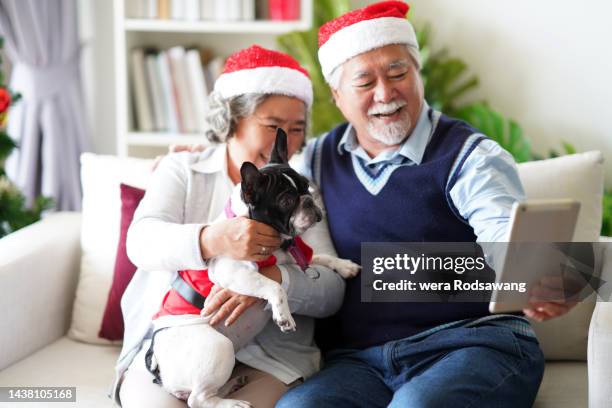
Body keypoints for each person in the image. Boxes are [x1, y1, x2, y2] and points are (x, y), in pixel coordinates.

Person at [276, 2, 577, 407]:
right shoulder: (313, 161)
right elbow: (255, 197)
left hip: (474, 344)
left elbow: (501, 227)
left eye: (398, 73)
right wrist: (196, 164)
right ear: (337, 95)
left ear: (418, 74)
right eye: (365, 82)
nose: (385, 93)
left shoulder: (469, 156)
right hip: (358, 362)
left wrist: (537, 271)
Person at [112, 45, 345, 408]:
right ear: (233, 119)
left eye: (297, 129)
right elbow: (140, 242)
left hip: (272, 356)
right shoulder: (184, 171)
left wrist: (273, 281)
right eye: (273, 126)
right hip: (176, 344)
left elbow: (332, 291)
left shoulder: (301, 191)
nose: (286, 140)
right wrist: (212, 239)